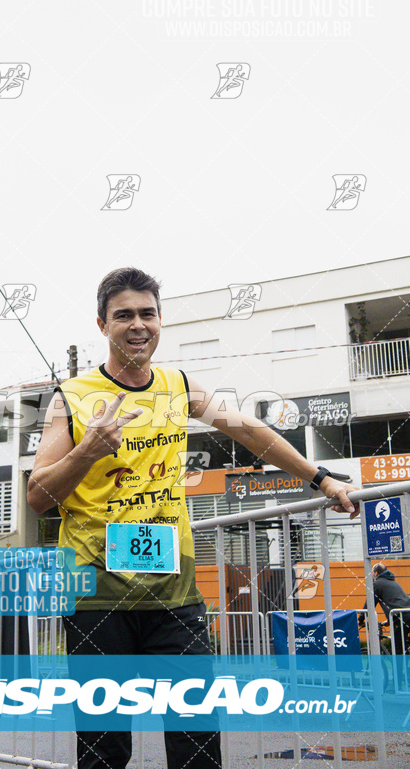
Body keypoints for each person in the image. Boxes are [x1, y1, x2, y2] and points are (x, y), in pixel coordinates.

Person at [28, 267, 359, 769]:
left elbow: (251, 432)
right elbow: (36, 496)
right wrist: (87, 450)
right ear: (102, 326)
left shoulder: (178, 385)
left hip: (174, 598)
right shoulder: (71, 398)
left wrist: (321, 479)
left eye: (148, 314)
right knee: (104, 748)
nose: (138, 325)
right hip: (98, 600)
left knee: (198, 743)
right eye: (124, 316)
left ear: (159, 321)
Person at [363, 563, 410, 655]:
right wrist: (389, 620)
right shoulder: (393, 582)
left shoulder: (377, 584)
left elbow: (369, 604)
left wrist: (361, 619)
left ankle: (398, 670)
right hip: (405, 614)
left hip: (401, 617)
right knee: (404, 643)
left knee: (398, 647)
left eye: (372, 572)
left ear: (376, 573)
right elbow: (399, 603)